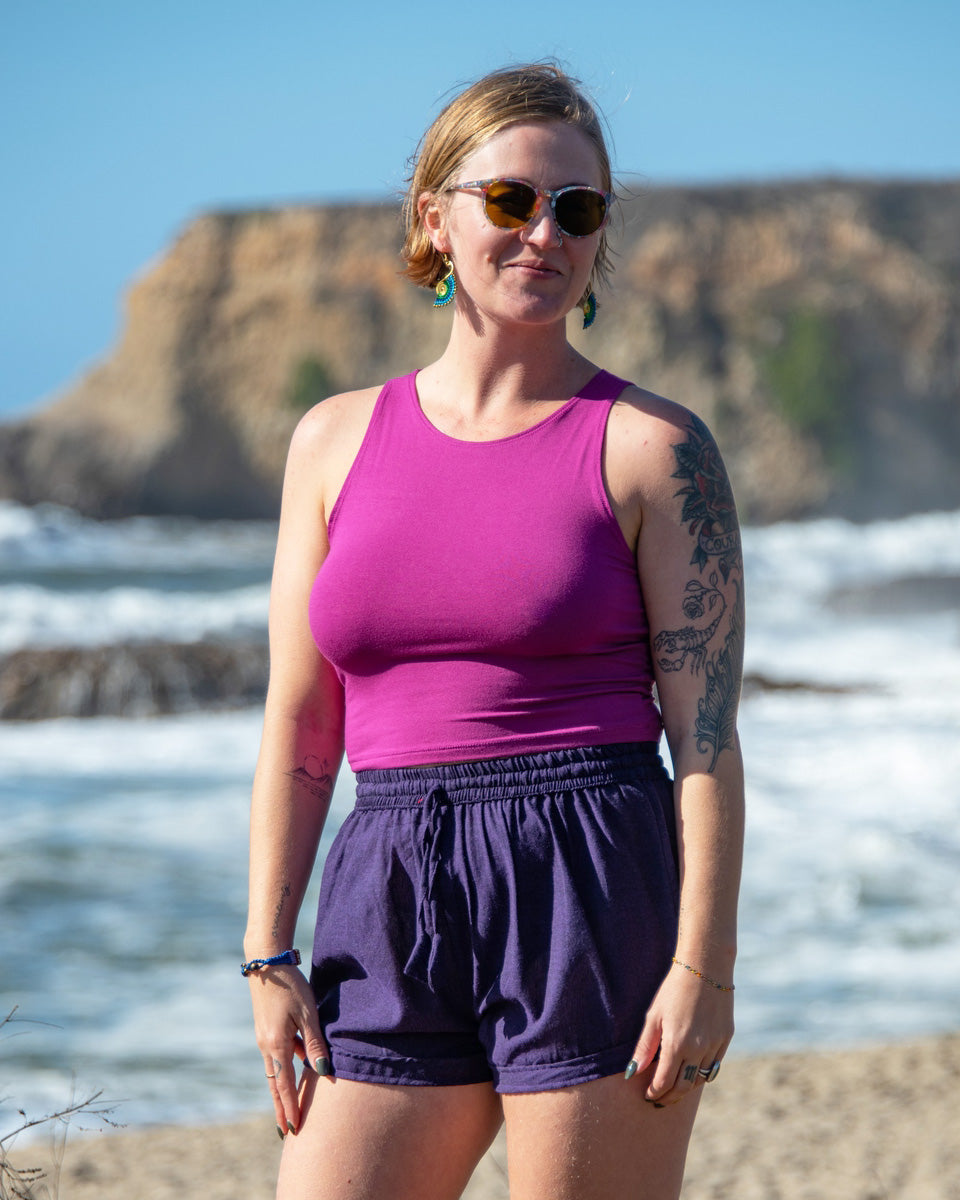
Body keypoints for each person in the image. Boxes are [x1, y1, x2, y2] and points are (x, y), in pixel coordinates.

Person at [244, 62, 745, 1200]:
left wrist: (704, 970)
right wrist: (267, 948)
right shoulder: (331, 442)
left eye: (578, 208)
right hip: (386, 878)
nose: (545, 233)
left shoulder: (654, 449)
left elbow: (706, 743)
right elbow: (302, 721)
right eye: (511, 200)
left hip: (589, 876)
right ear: (436, 218)